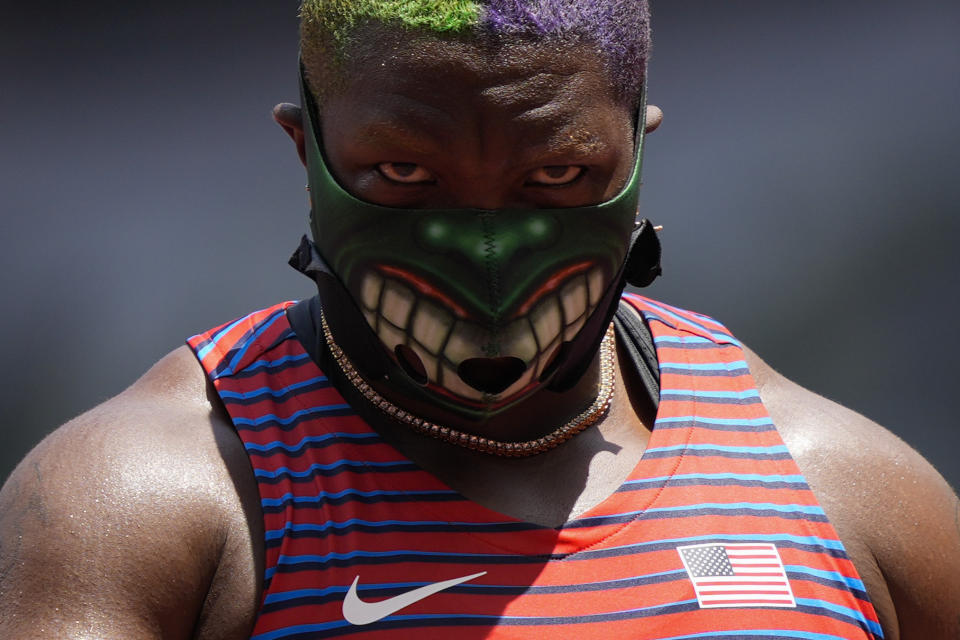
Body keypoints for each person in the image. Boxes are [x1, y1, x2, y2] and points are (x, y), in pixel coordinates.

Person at [1, 1, 957, 638]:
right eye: (406, 177)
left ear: (636, 147)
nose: (486, 258)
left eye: (556, 177)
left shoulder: (836, 489)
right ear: (307, 149)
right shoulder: (152, 504)